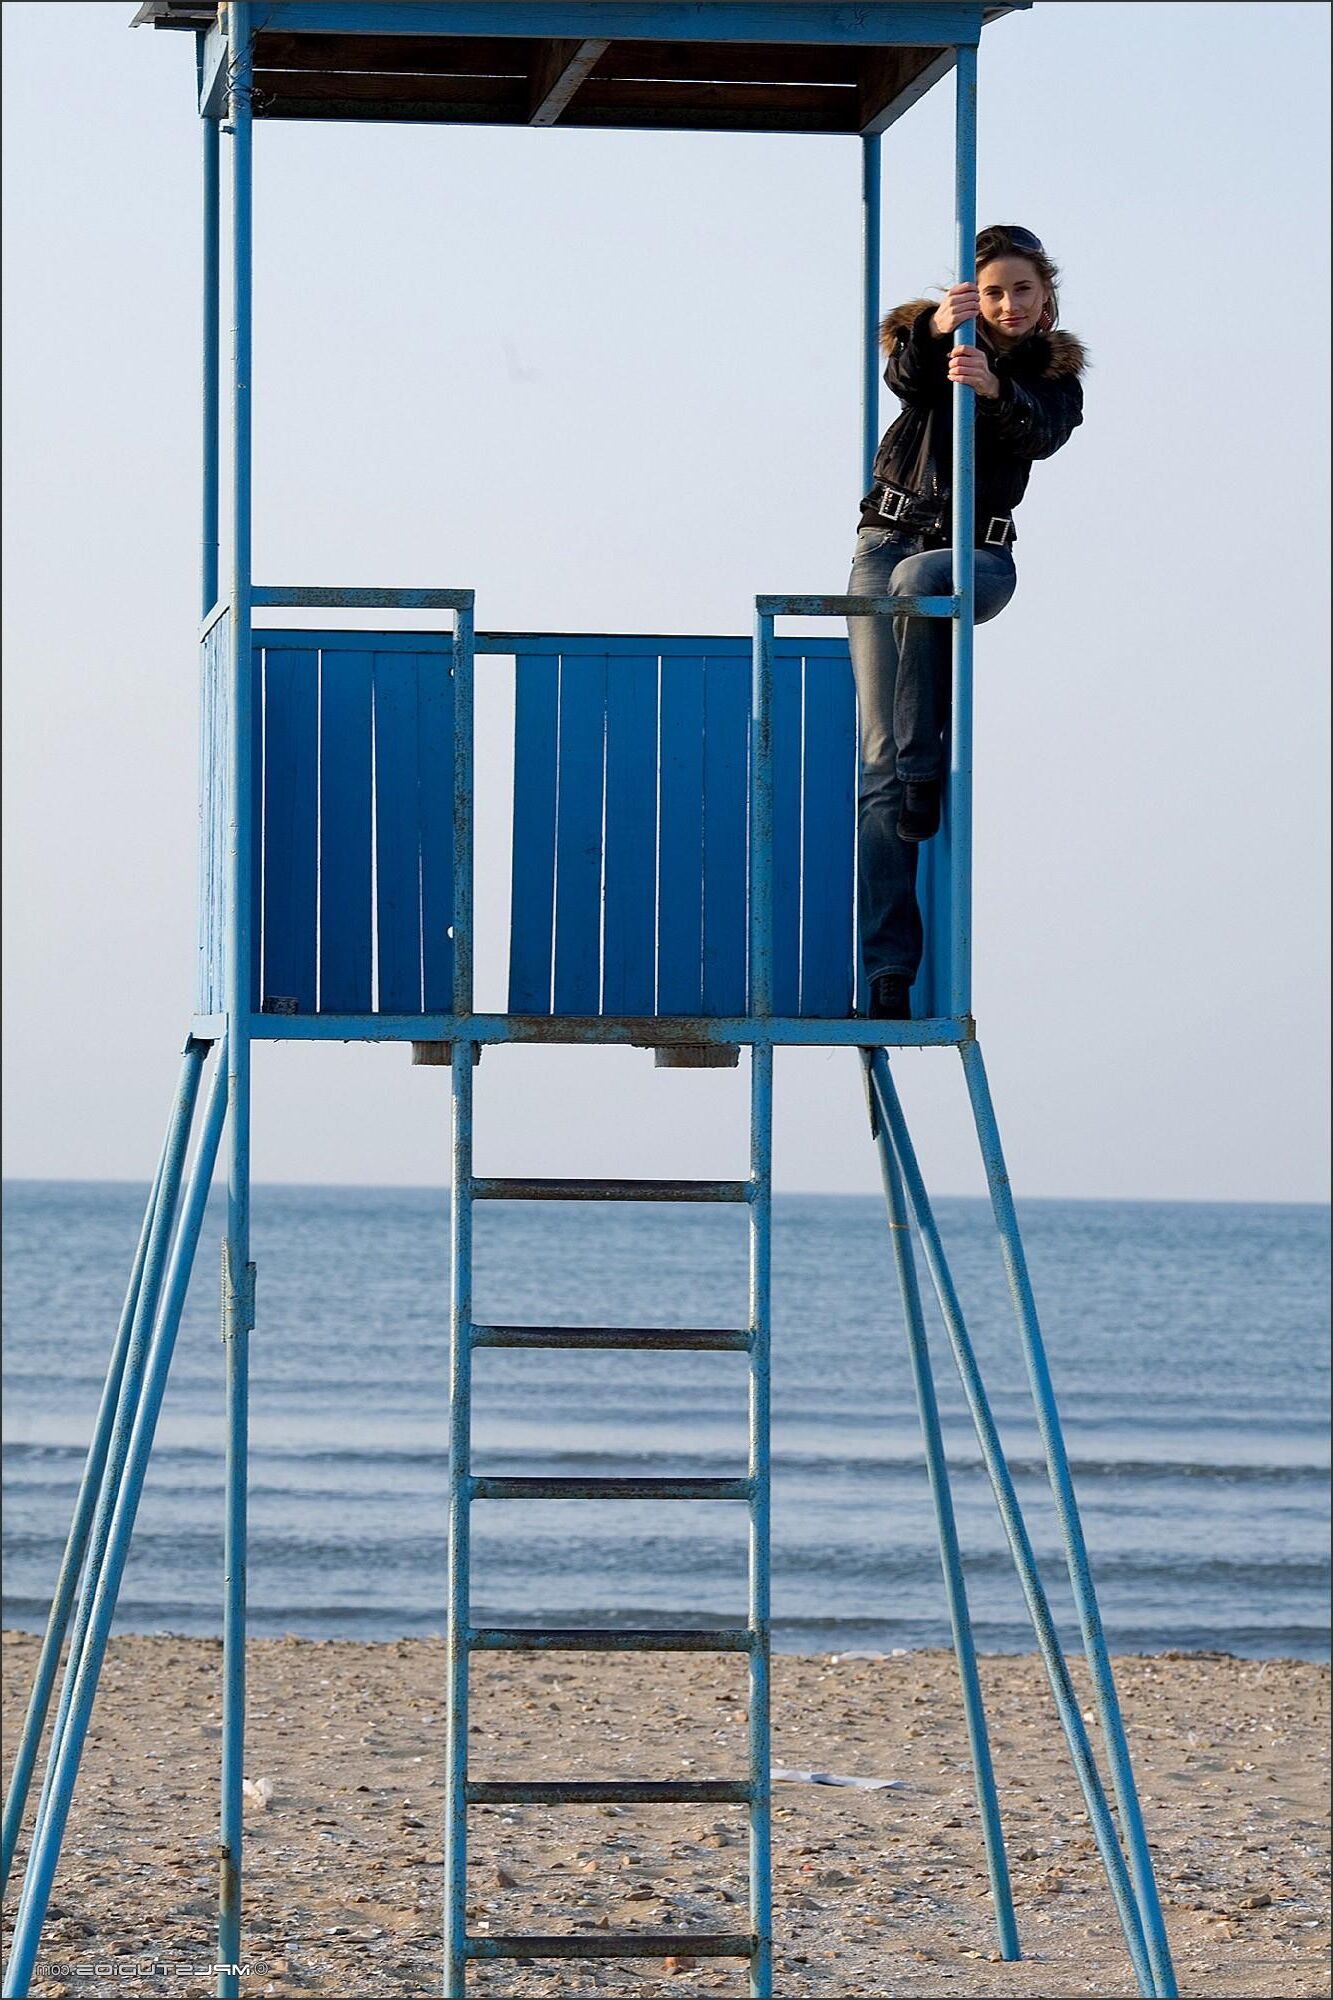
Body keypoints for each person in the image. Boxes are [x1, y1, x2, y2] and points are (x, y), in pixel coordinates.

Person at [848, 224, 1086, 1020]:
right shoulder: (936, 343)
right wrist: (936, 332)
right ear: (969, 297)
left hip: (976, 558)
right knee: (877, 773)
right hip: (883, 544)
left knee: (926, 578)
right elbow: (902, 378)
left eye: (1022, 289)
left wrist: (994, 390)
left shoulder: (1053, 375)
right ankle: (887, 975)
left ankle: (926, 769)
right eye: (992, 291)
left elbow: (1043, 432)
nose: (1008, 304)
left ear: (1046, 296)